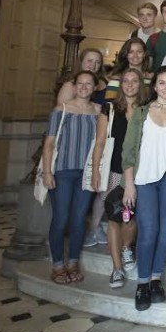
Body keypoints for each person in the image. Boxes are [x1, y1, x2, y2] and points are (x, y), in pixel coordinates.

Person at [121, 66, 166, 310]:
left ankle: (155, 279)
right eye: (161, 82)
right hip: (144, 180)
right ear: (154, 86)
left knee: (165, 231)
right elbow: (128, 151)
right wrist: (129, 184)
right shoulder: (141, 113)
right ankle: (142, 282)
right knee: (148, 229)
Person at [42, 70, 100, 285]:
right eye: (81, 83)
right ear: (75, 87)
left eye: (89, 84)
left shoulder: (99, 111)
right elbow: (49, 143)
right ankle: (57, 264)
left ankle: (73, 262)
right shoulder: (61, 110)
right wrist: (48, 172)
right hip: (63, 172)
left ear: (95, 88)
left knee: (78, 219)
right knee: (61, 218)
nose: (84, 87)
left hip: (86, 173)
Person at [92, 67, 144, 288]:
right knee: (114, 218)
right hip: (115, 170)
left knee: (130, 217)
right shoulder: (110, 108)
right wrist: (95, 169)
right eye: (126, 81)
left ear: (141, 85)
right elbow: (101, 141)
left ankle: (126, 248)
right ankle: (116, 269)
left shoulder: (146, 110)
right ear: (121, 85)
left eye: (134, 81)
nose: (130, 85)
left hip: (139, 171)